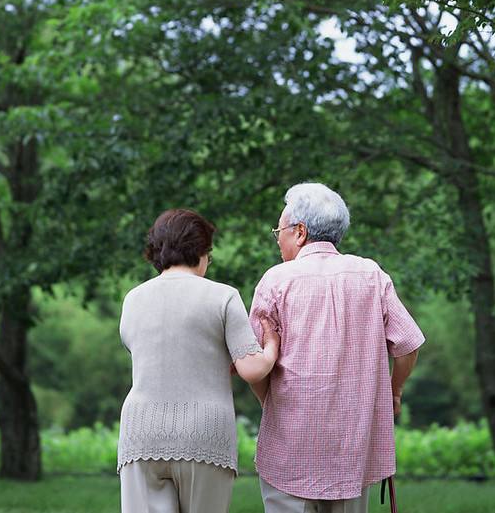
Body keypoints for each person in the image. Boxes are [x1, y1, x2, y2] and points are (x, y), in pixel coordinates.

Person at [249, 183, 425, 513]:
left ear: (299, 232)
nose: (277, 238)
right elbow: (407, 347)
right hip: (353, 451)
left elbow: (253, 363)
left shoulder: (276, 280)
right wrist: (394, 392)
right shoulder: (372, 275)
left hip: (290, 447)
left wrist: (268, 402)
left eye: (279, 230)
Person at [118, 208, 279, 513]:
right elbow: (252, 369)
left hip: (141, 435)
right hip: (204, 436)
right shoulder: (223, 296)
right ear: (202, 251)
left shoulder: (133, 299)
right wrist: (270, 345)